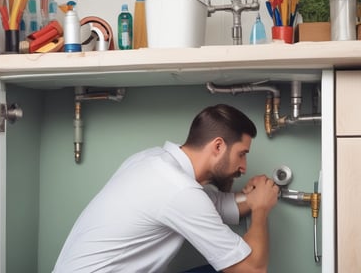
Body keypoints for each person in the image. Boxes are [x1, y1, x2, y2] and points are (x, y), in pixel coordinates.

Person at [53, 104, 279, 273]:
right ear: (218, 146)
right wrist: (260, 210)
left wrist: (253, 197)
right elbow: (253, 269)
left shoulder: (152, 161)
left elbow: (216, 205)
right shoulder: (179, 190)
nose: (243, 167)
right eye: (242, 154)